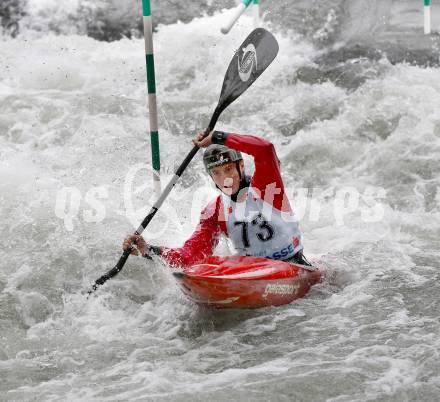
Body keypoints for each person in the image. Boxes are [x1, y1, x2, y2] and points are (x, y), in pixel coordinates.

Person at [123, 130, 311, 267]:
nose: (225, 178)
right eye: (217, 173)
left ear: (241, 166)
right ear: (211, 176)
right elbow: (190, 257)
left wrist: (219, 137)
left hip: (294, 265)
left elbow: (265, 149)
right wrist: (148, 250)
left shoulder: (267, 188)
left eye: (229, 169)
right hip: (252, 272)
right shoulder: (214, 211)